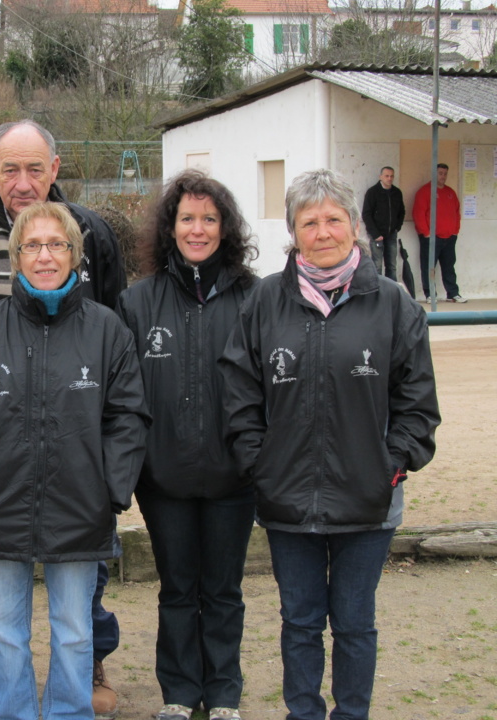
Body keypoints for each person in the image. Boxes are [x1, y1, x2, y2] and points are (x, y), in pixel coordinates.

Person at [220, 169, 440, 720]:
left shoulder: (393, 304)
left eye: (333, 219)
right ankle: (304, 713)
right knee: (299, 622)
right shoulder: (263, 302)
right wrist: (258, 462)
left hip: (368, 501)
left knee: (354, 623)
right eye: (309, 221)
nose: (323, 232)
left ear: (354, 226)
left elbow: (417, 403)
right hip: (286, 500)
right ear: (294, 232)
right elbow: (239, 392)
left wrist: (390, 465)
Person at [0, 119, 127, 717]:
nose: (22, 182)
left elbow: (121, 383)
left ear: (55, 169)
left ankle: (84, 670)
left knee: (75, 608)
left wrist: (110, 481)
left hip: (73, 460)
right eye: (9, 169)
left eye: (34, 169)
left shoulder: (93, 233)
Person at [116, 170, 258, 720]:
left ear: (225, 228)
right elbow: (125, 396)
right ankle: (178, 693)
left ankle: (223, 694)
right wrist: (138, 465)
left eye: (209, 219)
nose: (197, 230)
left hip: (233, 477)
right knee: (177, 589)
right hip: (165, 478)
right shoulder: (137, 302)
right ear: (169, 228)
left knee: (223, 590)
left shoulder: (253, 297)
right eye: (187, 219)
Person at [413, 163, 466, 303]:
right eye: (440, 173)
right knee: (429, 267)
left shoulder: (450, 192)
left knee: (449, 266)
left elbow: (457, 213)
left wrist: (455, 231)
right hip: (431, 238)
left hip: (449, 238)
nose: (443, 176)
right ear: (434, 174)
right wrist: (426, 233)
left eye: (445, 173)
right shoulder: (425, 191)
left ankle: (453, 294)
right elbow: (418, 213)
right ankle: (430, 295)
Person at [360, 166, 405, 280]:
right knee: (377, 265)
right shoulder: (372, 192)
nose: (389, 179)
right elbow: (366, 214)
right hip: (376, 235)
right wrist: (375, 234)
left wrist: (396, 228)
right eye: (387, 176)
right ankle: (378, 293)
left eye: (391, 176)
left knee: (392, 266)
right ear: (380, 177)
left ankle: (392, 292)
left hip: (391, 234)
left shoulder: (397, 193)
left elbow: (402, 212)